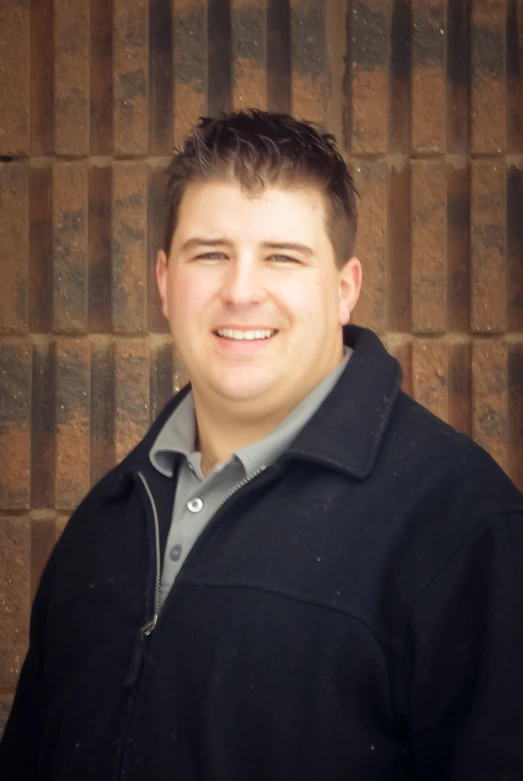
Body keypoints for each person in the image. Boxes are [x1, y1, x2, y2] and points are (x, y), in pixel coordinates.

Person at [1, 110, 523, 781]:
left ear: (343, 290)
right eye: (210, 253)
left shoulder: (462, 525)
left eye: (282, 256)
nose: (241, 290)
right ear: (163, 280)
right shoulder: (104, 525)